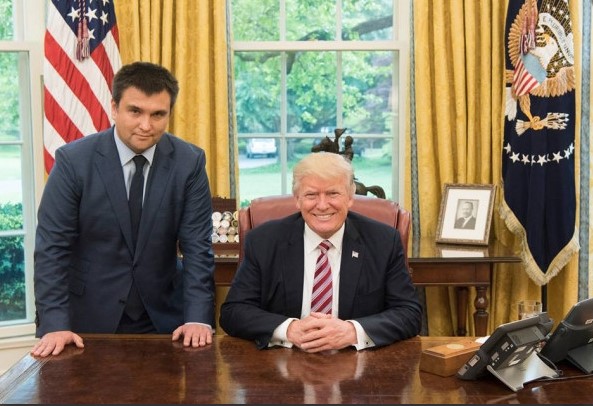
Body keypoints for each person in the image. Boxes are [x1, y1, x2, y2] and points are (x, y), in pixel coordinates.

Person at [31, 62, 216, 357]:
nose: (146, 125)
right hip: (86, 321)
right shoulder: (73, 161)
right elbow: (52, 248)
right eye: (135, 111)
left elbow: (198, 247)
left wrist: (198, 318)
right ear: (115, 108)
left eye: (158, 114)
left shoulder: (189, 162)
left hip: (164, 319)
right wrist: (54, 323)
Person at [220, 152, 422, 352]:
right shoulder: (264, 241)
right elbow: (233, 312)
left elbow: (409, 313)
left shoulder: (383, 241)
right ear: (297, 199)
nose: (323, 205)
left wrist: (352, 331)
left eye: (333, 194)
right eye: (311, 195)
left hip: (357, 360)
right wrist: (289, 329)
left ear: (350, 198)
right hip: (283, 359)